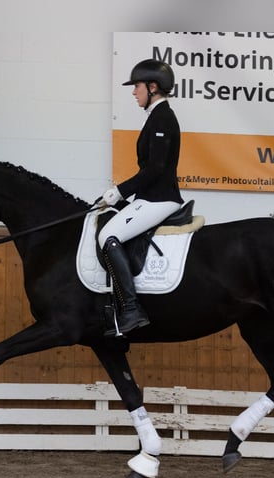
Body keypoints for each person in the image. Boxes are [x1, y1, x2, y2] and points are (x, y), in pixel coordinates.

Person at [99, 58, 184, 336]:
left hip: (160, 199)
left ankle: (132, 309)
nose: (134, 92)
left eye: (137, 86)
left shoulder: (163, 118)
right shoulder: (156, 117)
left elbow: (155, 169)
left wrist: (118, 192)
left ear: (153, 87)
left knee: (108, 238)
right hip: (149, 197)